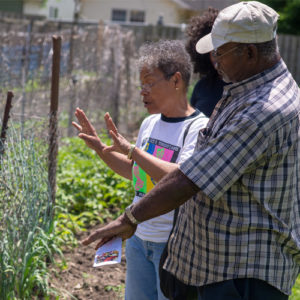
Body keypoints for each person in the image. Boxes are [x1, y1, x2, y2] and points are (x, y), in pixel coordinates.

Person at [80, 1, 300, 300]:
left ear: (249, 52)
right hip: (220, 266)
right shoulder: (246, 91)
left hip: (243, 274)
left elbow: (187, 178)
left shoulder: (263, 109)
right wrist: (108, 153)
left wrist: (129, 218)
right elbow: (143, 176)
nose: (214, 60)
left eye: (220, 52)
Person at [73, 39, 208, 300]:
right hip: (138, 238)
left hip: (172, 248)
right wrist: (101, 149)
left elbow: (182, 178)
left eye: (149, 83)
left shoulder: (199, 128)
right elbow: (134, 172)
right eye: (140, 85)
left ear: (176, 80)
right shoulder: (149, 123)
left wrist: (133, 150)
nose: (142, 91)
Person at [185, 8, 226, 118]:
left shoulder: (245, 86)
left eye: (221, 51)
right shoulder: (202, 87)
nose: (217, 58)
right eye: (213, 53)